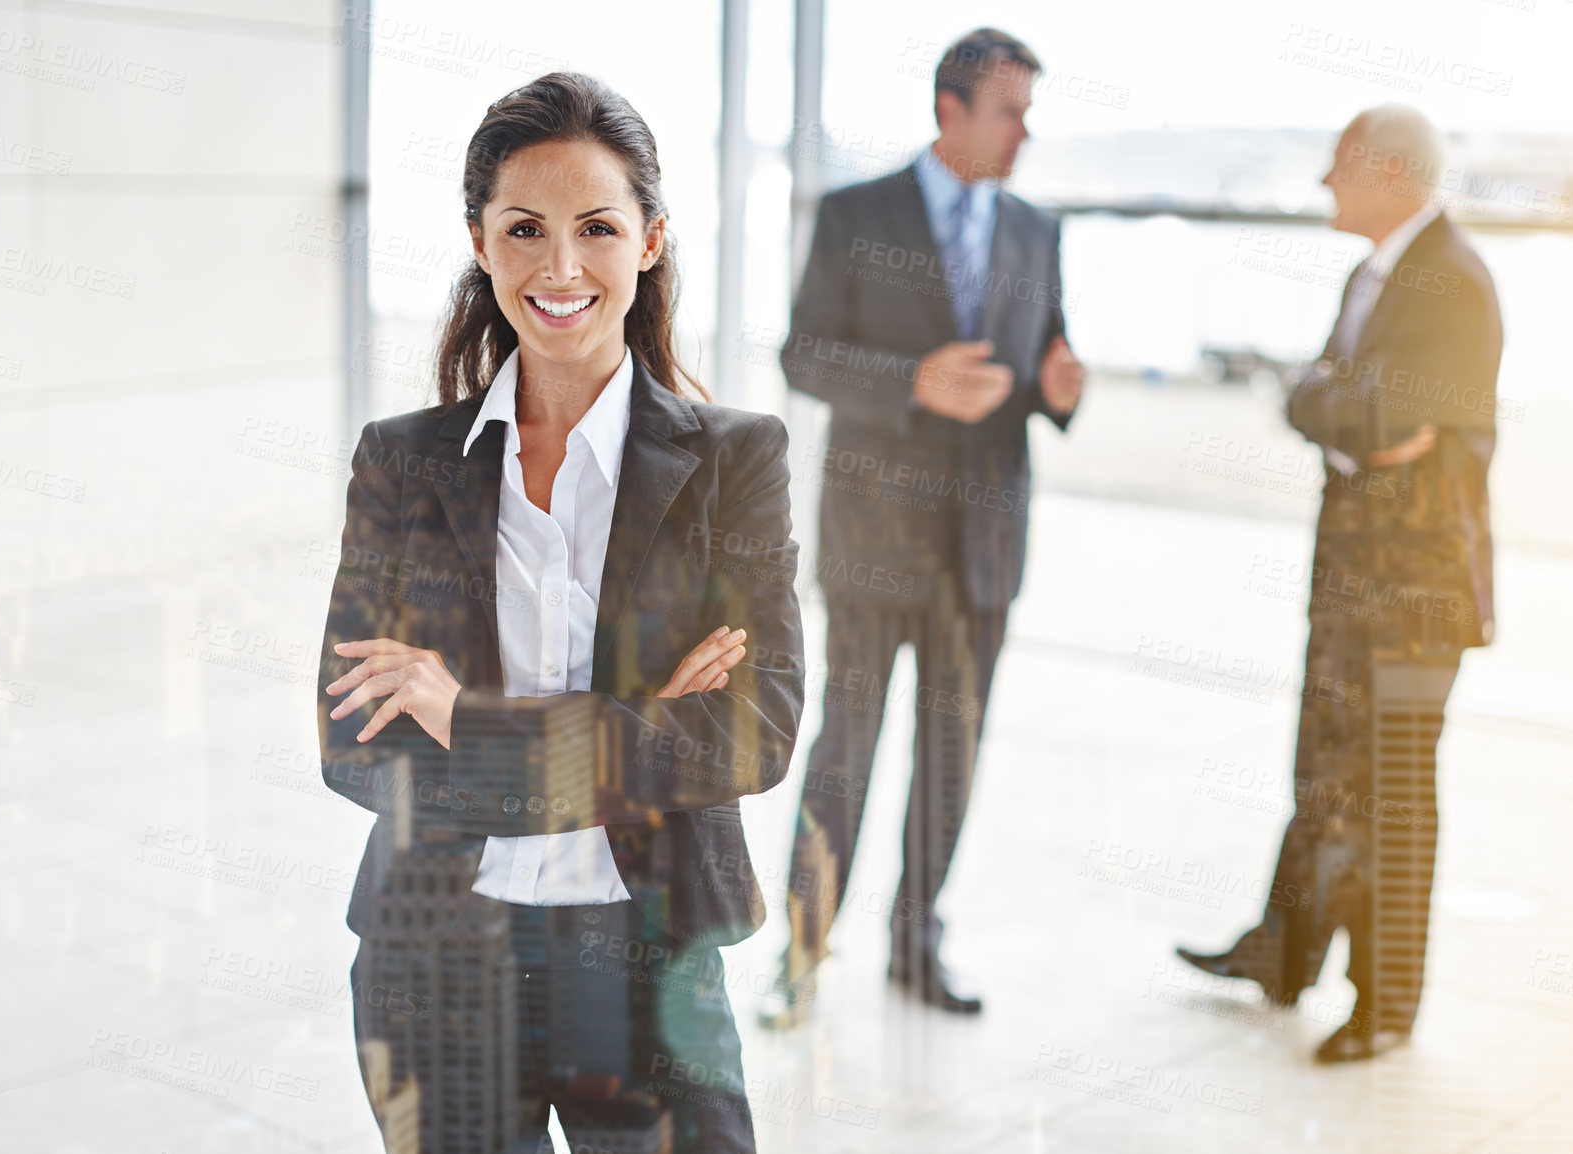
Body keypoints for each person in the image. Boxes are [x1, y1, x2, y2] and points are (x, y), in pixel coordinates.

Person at [315, 72, 805, 1151]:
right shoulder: (403, 463)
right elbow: (353, 743)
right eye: (524, 229)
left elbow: (752, 732)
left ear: (652, 240)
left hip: (643, 957)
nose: (560, 266)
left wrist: (467, 717)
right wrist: (632, 729)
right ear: (481, 243)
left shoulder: (734, 461)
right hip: (435, 960)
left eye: (597, 227)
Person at [762, 28, 1085, 1026]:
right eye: (1008, 111)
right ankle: (802, 949)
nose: (1024, 132)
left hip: (982, 552)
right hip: (872, 543)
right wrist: (911, 383)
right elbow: (801, 355)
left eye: (1029, 112)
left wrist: (1059, 389)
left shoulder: (1037, 229)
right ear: (949, 109)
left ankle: (916, 943)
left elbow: (1042, 365)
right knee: (846, 749)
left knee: (950, 758)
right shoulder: (857, 214)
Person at [1177, 105, 1503, 1063]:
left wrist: (1323, 400)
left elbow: (1367, 415)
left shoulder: (1451, 283)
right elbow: (1345, 409)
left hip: (1416, 594)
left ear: (1389, 171)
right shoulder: (1379, 273)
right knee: (1324, 767)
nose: (1325, 181)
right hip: (1353, 582)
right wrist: (1328, 402)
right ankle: (1282, 955)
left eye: (1339, 165)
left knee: (1394, 790)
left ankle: (1386, 1005)